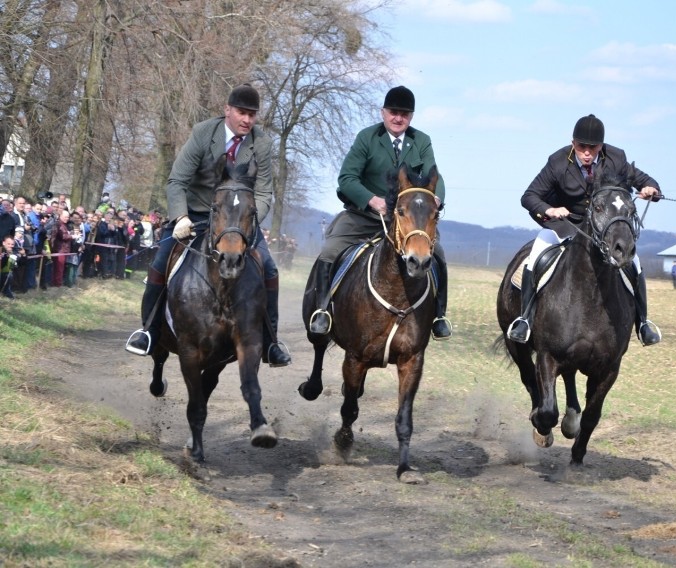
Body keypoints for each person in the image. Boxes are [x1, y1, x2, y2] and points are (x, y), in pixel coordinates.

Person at [126, 83, 291, 366]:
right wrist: (180, 216)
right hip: (196, 215)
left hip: (238, 222)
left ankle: (270, 342)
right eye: (242, 113)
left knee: (270, 269)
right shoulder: (204, 133)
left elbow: (264, 192)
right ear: (227, 110)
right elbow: (177, 181)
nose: (247, 120)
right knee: (160, 263)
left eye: (252, 115)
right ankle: (149, 331)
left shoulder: (261, 143)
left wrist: (248, 221)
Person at [306, 85, 452, 340]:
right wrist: (372, 200)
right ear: (383, 112)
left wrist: (435, 197)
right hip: (365, 216)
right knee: (330, 249)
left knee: (436, 253)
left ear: (411, 117)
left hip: (406, 221)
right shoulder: (367, 137)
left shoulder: (421, 141)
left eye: (405, 114)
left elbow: (434, 176)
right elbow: (347, 178)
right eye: (394, 112)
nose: (398, 118)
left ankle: (439, 316)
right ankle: (322, 310)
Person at [506, 114, 662, 346]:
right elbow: (529, 196)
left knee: (634, 263)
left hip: (603, 229)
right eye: (582, 147)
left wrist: (651, 189)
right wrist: (549, 209)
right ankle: (525, 318)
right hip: (566, 224)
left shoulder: (616, 158)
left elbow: (643, 179)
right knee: (536, 254)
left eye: (593, 147)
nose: (587, 152)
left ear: (601, 146)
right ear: (573, 143)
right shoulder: (558, 162)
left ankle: (642, 323)